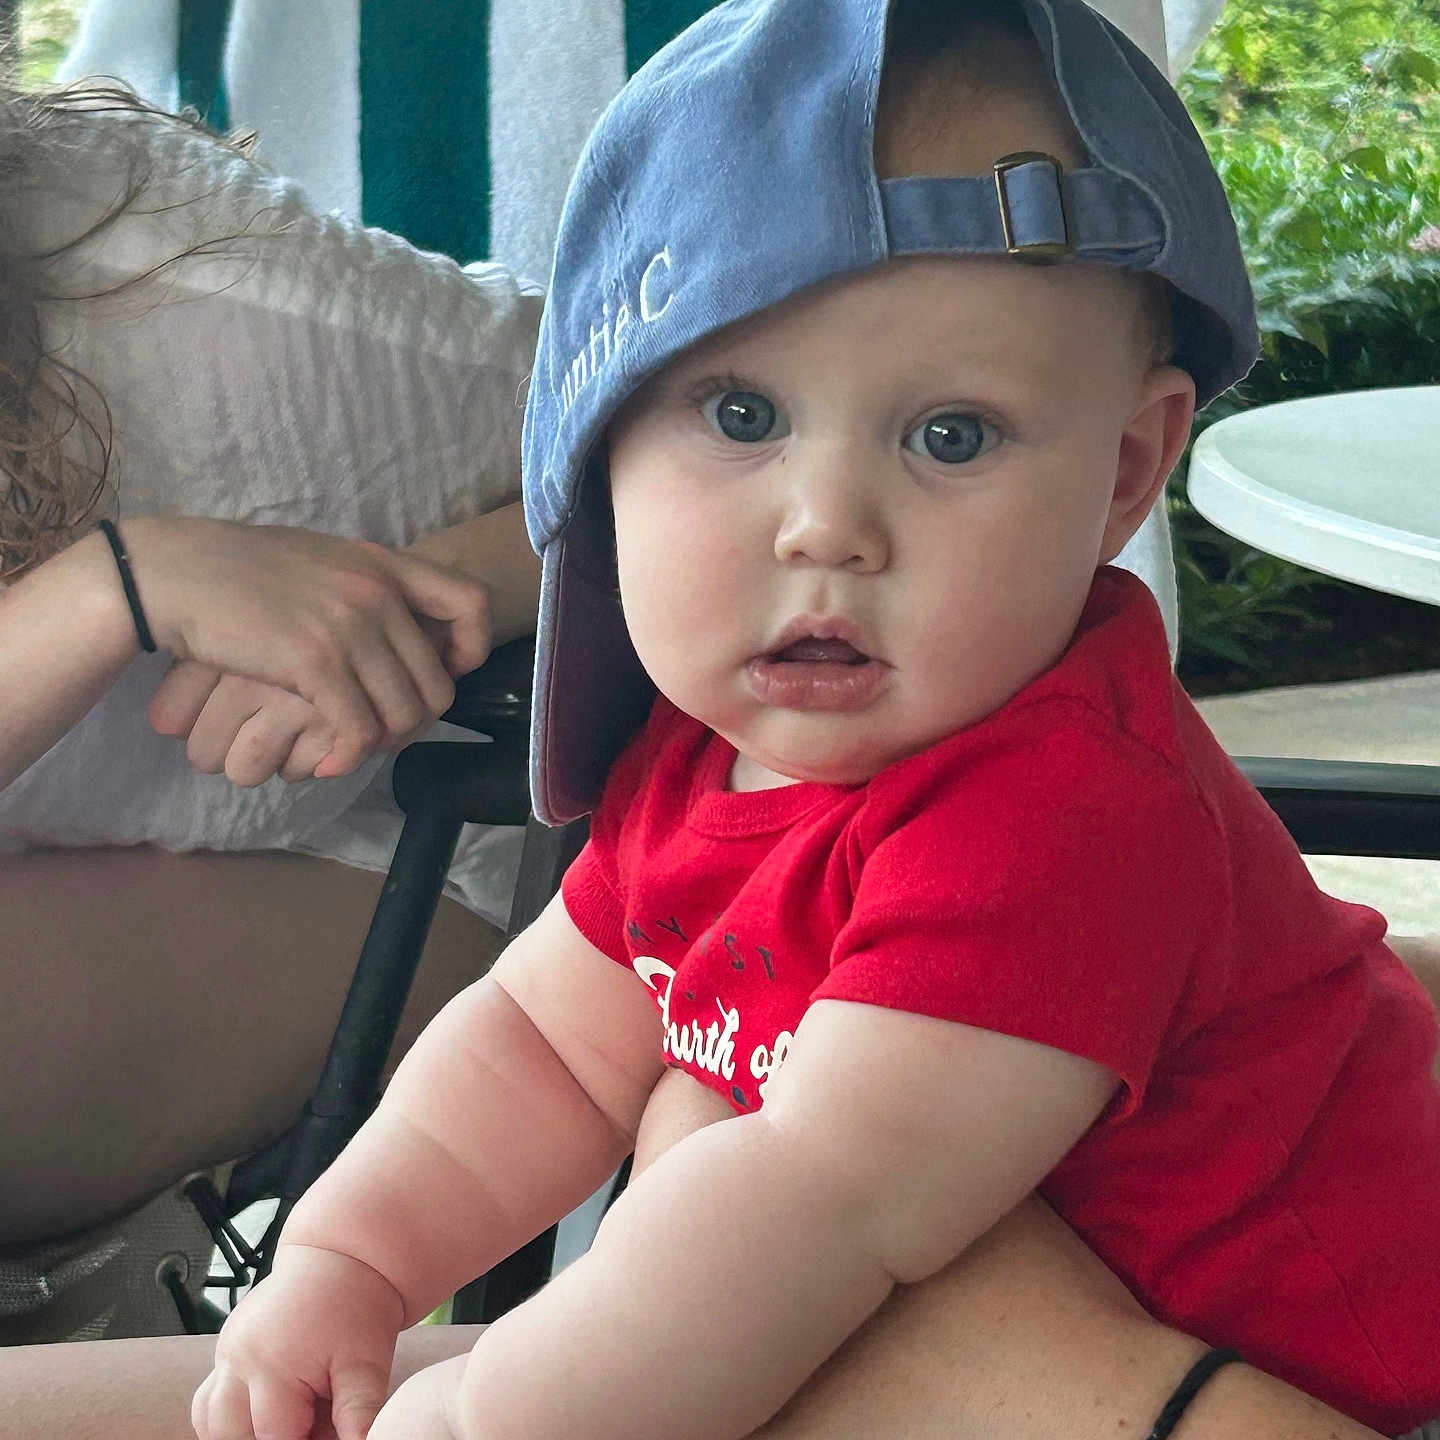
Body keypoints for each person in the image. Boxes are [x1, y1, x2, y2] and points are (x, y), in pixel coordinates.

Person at [187, 2, 1440, 1438]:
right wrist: (350, 1259)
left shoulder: (1069, 811)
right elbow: (545, 1039)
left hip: (1293, 1377)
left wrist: (493, 1415)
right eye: (738, 415)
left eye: (951, 436)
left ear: (1123, 469)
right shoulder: (708, 749)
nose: (828, 527)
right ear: (599, 446)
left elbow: (820, 1206)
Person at [0, 81, 543, 1338]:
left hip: (389, 861)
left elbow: (680, 397)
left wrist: (453, 584)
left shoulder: (165, 298)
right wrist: (113, 591)